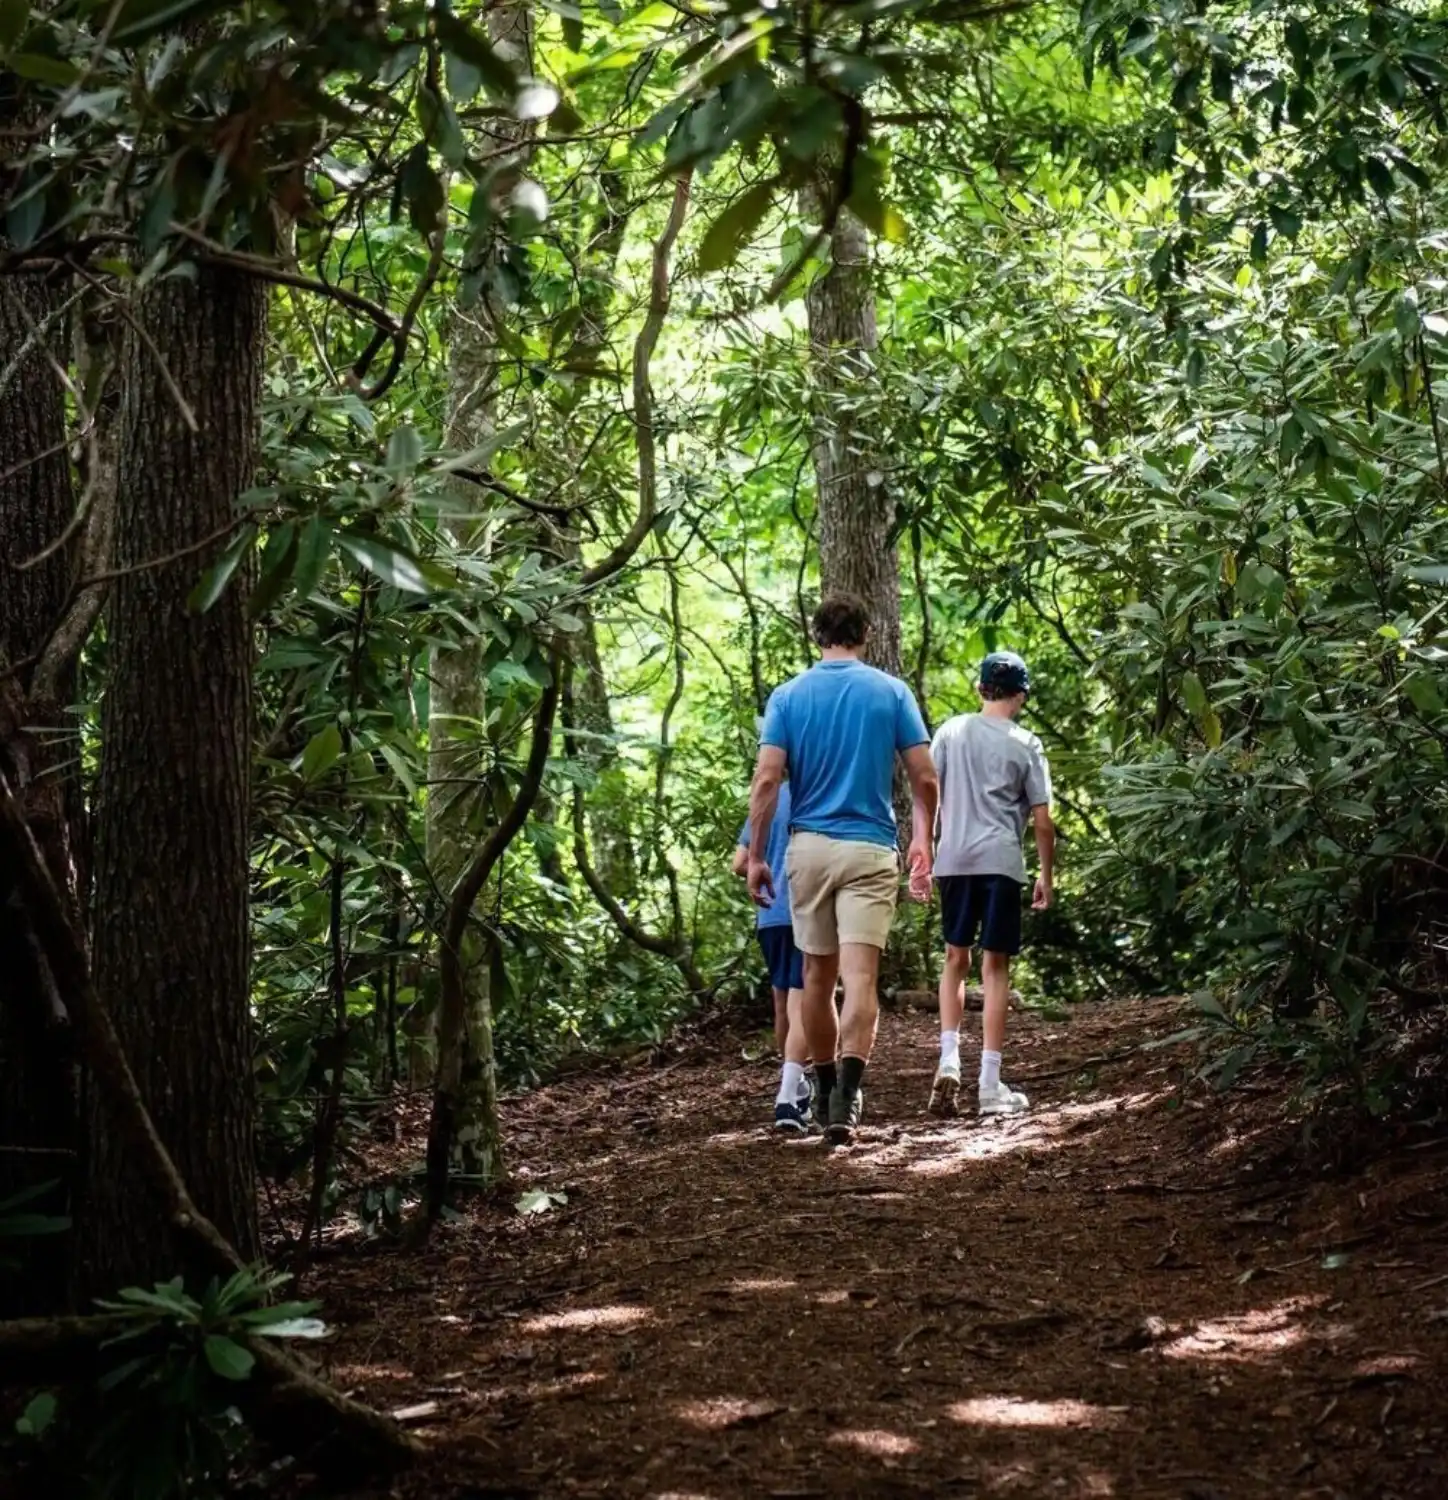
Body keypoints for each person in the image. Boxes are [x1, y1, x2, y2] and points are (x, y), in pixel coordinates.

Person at [746, 593, 939, 1145]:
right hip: (870, 849)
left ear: (816, 635)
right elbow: (925, 778)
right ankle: (847, 1099)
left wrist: (759, 856)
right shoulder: (891, 692)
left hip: (808, 850)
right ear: (866, 634)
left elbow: (766, 782)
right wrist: (924, 838)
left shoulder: (787, 697)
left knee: (815, 978)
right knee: (861, 979)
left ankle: (825, 1082)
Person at [921, 650, 1055, 1118]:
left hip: (953, 859)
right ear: (1020, 696)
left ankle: (949, 1057)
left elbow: (927, 794)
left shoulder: (950, 733)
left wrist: (924, 849)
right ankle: (989, 1083)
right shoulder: (1026, 743)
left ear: (981, 689)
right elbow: (1042, 820)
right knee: (995, 969)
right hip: (1001, 862)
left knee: (955, 959)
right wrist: (1046, 874)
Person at [733, 774, 815, 1133]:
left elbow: (739, 863)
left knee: (783, 1002)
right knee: (802, 999)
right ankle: (787, 1098)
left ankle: (794, 1085)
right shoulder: (820, 792)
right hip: (806, 910)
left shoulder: (766, 802)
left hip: (770, 914)